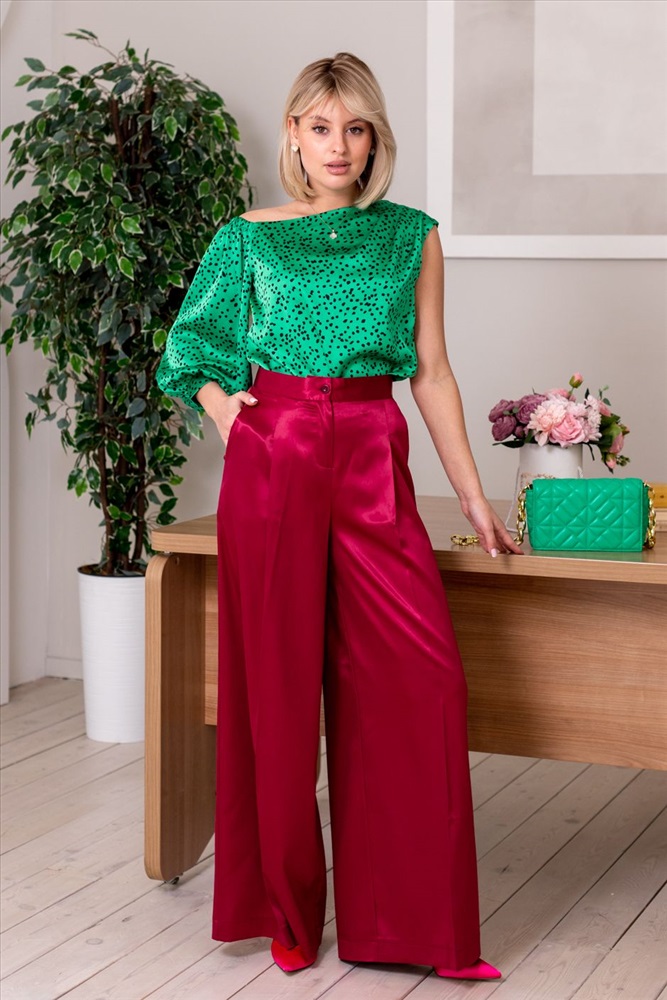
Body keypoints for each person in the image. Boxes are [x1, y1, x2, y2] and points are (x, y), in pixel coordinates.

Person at [156, 51, 522, 983]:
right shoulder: (246, 237)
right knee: (274, 691)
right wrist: (224, 409)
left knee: (422, 682)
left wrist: (472, 494)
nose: (338, 146)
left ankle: (417, 930)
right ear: (293, 134)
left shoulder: (410, 236)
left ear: (374, 139)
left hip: (369, 452)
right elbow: (190, 349)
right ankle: (283, 914)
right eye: (321, 127)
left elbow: (430, 373)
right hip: (274, 455)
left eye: (355, 129)